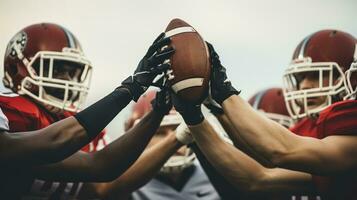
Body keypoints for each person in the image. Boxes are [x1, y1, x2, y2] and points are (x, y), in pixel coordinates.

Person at [172, 30, 357, 199]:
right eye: (301, 78)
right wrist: (200, 115)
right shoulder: (309, 128)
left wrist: (224, 94)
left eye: (315, 76)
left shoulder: (344, 122)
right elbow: (259, 177)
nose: (305, 86)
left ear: (349, 75)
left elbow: (276, 155)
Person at [0, 23, 174, 199]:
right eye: (58, 69)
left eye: (72, 72)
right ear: (16, 69)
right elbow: (57, 141)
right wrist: (128, 89)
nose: (67, 80)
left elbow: (102, 171)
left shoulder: (73, 122)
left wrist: (158, 112)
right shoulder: (10, 110)